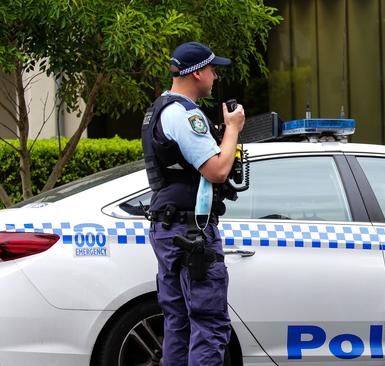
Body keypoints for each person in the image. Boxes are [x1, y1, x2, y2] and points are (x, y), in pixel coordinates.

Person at [141, 41, 245, 366]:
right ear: (197, 72)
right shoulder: (184, 114)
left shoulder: (157, 109)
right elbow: (216, 169)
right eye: (213, 69)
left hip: (171, 228)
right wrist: (232, 129)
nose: (215, 76)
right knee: (209, 324)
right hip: (192, 234)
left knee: (179, 325)